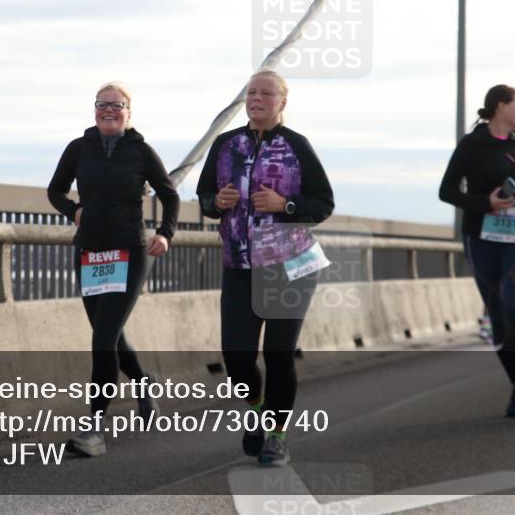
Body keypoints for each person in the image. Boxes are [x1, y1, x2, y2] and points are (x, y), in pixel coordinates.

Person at [196, 70, 334, 466]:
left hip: (291, 266)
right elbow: (204, 197)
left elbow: (323, 204)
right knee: (237, 355)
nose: (256, 98)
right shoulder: (226, 145)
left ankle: (277, 435)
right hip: (239, 264)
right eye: (252, 92)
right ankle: (256, 410)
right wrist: (216, 202)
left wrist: (285, 206)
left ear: (282, 103)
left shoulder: (296, 146)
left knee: (278, 353)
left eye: (266, 93)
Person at [48, 82, 179, 456]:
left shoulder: (140, 151)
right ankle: (144, 383)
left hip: (129, 253)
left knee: (103, 340)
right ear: (94, 111)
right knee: (112, 336)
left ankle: (94, 430)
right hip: (91, 254)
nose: (109, 110)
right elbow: (55, 190)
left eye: (116, 105)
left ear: (128, 112)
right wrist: (73, 210)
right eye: (102, 105)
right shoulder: (79, 148)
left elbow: (169, 195)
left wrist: (165, 234)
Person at [439, 84, 515, 418]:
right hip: (480, 235)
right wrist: (485, 203)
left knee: (513, 305)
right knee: (496, 312)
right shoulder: (473, 144)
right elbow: (447, 191)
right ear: (501, 106)